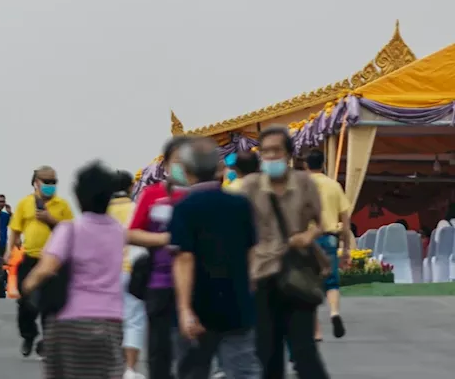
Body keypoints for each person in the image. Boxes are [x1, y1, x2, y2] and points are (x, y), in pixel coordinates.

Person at [238, 128, 329, 379]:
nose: (270, 156)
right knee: (267, 355)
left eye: (275, 150)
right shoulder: (250, 186)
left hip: (297, 272)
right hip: (262, 275)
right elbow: (238, 231)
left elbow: (321, 223)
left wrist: (308, 236)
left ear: (288, 153)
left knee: (304, 353)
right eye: (265, 151)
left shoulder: (304, 182)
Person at [20, 161, 125, 379]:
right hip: (110, 322)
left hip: (70, 322)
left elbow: (46, 269)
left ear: (78, 196)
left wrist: (28, 285)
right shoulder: (118, 231)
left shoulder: (71, 230)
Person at [169, 137, 262, 379]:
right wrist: (250, 290)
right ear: (220, 169)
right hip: (237, 304)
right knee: (243, 371)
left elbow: (184, 259)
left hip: (199, 305)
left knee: (193, 371)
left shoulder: (184, 208)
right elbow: (252, 252)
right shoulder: (240, 205)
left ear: (187, 172)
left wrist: (184, 309)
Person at [128, 136, 192, 379]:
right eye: (178, 161)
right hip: (159, 285)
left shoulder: (200, 197)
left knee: (191, 355)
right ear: (165, 165)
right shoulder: (152, 195)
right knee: (159, 354)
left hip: (196, 287)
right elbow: (131, 233)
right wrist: (165, 239)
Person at [6, 165, 74, 358]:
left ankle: (47, 342)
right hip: (30, 259)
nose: (51, 186)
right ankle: (29, 335)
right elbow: (15, 229)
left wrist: (50, 219)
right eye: (47, 182)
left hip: (54, 261)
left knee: (51, 305)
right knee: (26, 301)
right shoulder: (25, 204)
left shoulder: (62, 205)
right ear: (36, 183)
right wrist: (8, 251)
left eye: (54, 182)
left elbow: (71, 231)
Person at [304, 149, 352, 340]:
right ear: (323, 164)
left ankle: (316, 331)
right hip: (330, 237)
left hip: (308, 238)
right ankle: (334, 313)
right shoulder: (334, 186)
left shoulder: (303, 186)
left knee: (309, 284)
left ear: (306, 165)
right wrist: (346, 247)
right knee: (331, 281)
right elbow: (345, 220)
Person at [108, 170, 146, 379]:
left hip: (106, 274)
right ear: (131, 187)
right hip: (131, 270)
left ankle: (113, 366)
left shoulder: (101, 211)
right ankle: (130, 369)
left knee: (111, 321)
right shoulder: (136, 208)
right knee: (133, 320)